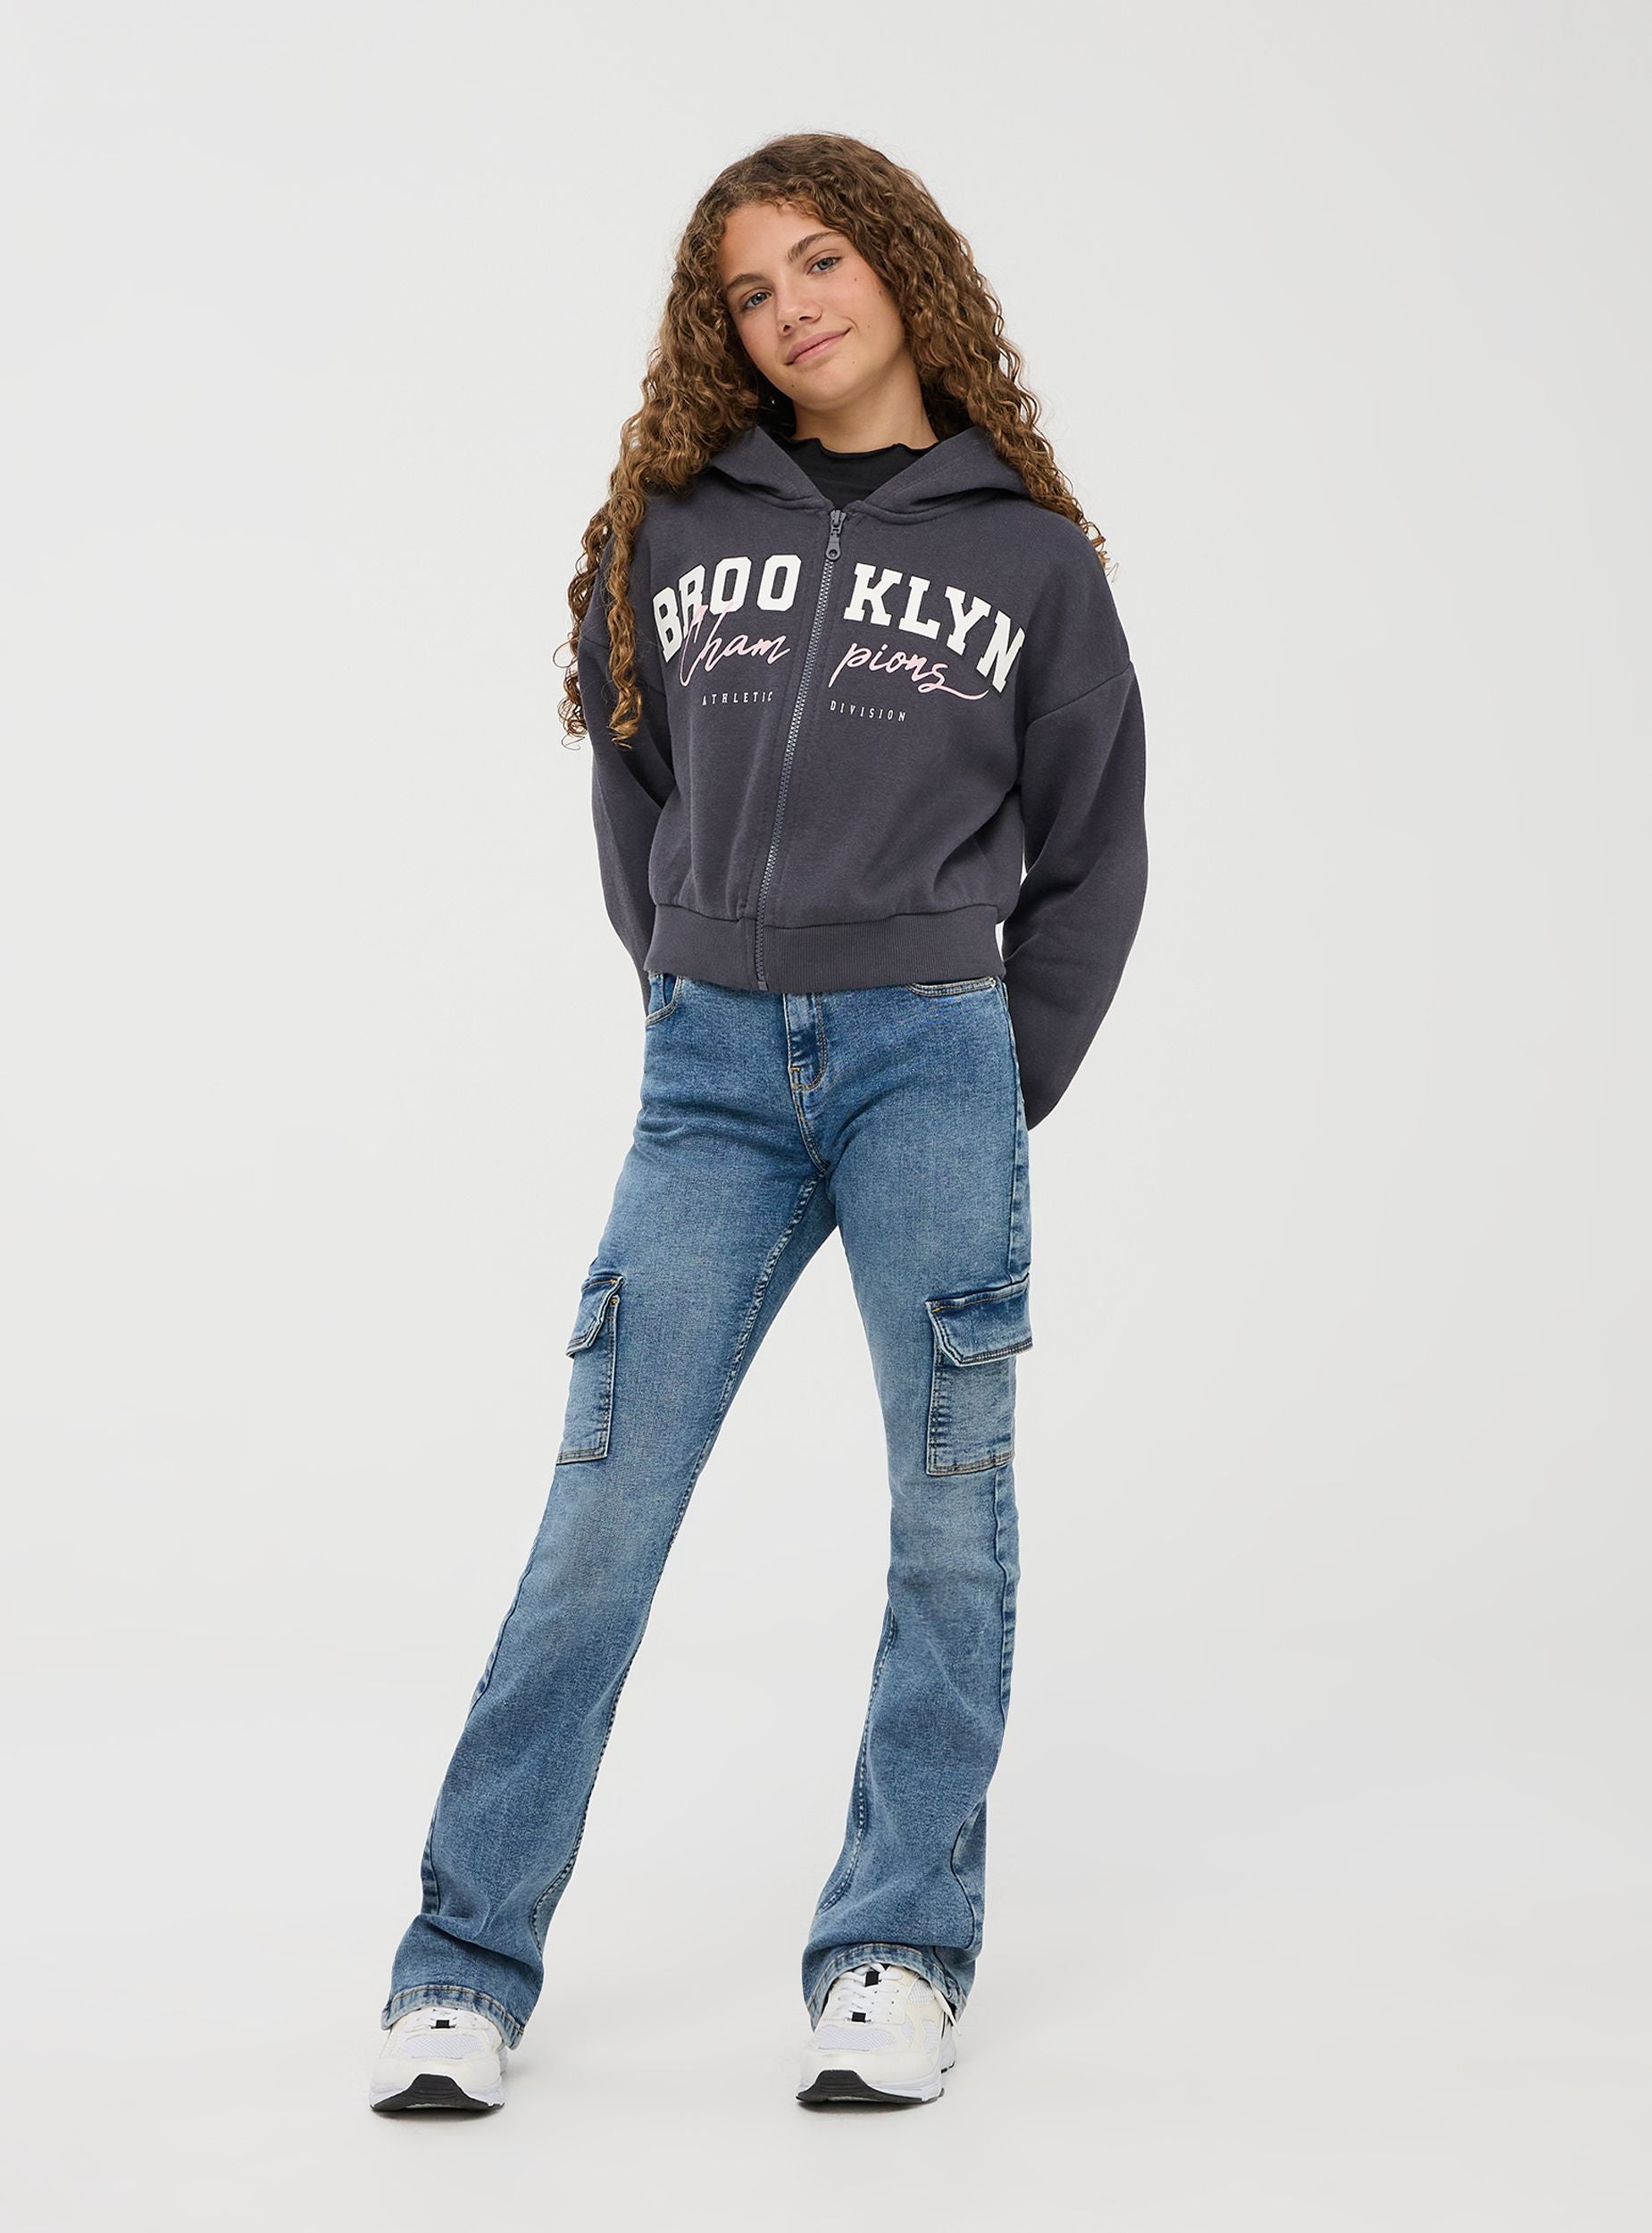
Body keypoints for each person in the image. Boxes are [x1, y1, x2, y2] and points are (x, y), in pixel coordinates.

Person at [369, 130, 1148, 2116]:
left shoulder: (1030, 559)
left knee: (948, 1517)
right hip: (710, 1071)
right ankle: (462, 1966)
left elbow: (1095, 847)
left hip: (931, 1061)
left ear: (899, 268)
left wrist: (993, 1075)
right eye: (746, 289)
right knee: (600, 1511)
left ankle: (894, 1949)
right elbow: (630, 787)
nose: (789, 307)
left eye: (819, 261)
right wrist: (685, 980)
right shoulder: (673, 523)